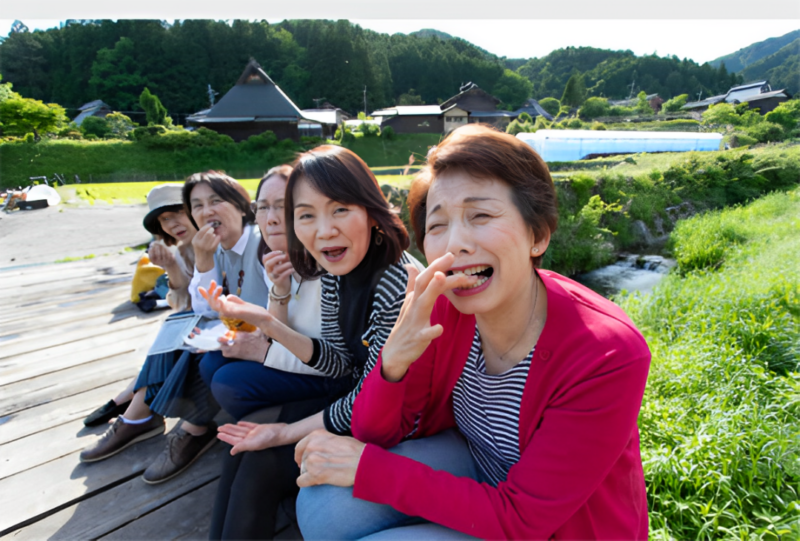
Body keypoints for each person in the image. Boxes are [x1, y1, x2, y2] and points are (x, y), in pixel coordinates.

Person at [293, 124, 652, 540]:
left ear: (537, 235)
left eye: (480, 215)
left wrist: (368, 468)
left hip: (549, 527)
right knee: (323, 508)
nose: (455, 244)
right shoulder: (447, 307)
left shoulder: (606, 354)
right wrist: (393, 361)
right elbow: (377, 432)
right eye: (438, 224)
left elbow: (524, 520)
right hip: (478, 465)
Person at [199, 145, 423, 541]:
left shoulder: (395, 281)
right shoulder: (338, 270)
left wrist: (286, 433)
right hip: (357, 404)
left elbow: (372, 397)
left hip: (402, 424)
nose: (323, 230)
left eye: (339, 209)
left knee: (262, 460)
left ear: (371, 211)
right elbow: (338, 363)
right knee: (246, 446)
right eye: (306, 215)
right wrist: (266, 319)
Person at [81, 172, 269, 485]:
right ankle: (140, 414)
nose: (205, 212)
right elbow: (196, 306)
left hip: (263, 339)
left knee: (195, 340)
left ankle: (166, 419)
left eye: (215, 201)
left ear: (242, 205)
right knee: (181, 328)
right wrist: (193, 262)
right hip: (233, 329)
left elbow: (265, 307)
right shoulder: (208, 247)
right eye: (196, 205)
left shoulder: (261, 242)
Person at [198, 165, 351, 421]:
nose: (270, 219)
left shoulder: (332, 262)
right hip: (297, 357)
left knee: (230, 383)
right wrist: (278, 291)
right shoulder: (276, 257)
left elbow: (337, 361)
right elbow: (280, 333)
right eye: (263, 207)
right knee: (211, 362)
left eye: (282, 206)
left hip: (332, 373)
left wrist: (262, 350)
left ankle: (304, 421)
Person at [83, 183, 198, 427]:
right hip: (196, 321)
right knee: (174, 326)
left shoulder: (220, 243)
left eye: (179, 212)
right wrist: (171, 268)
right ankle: (136, 402)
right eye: (165, 219)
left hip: (223, 322)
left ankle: (133, 402)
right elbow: (182, 304)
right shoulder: (180, 251)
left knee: (175, 330)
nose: (173, 223)